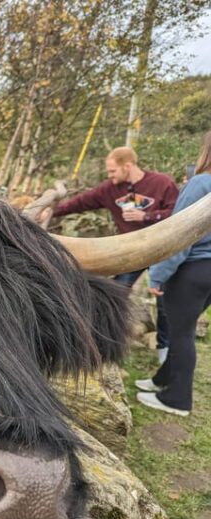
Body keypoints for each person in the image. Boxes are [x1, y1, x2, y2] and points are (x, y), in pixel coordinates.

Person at [37, 147, 179, 362]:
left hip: (162, 249)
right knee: (117, 294)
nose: (110, 176)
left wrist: (147, 216)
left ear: (127, 166)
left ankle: (165, 351)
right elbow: (82, 202)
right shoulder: (110, 190)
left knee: (165, 301)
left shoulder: (162, 183)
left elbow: (176, 212)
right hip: (131, 251)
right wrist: (51, 211)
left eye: (113, 171)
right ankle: (106, 344)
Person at [135, 132, 211, 416]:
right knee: (185, 327)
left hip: (191, 269)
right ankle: (162, 380)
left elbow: (179, 237)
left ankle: (177, 400)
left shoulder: (201, 183)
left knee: (181, 333)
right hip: (209, 272)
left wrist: (157, 276)